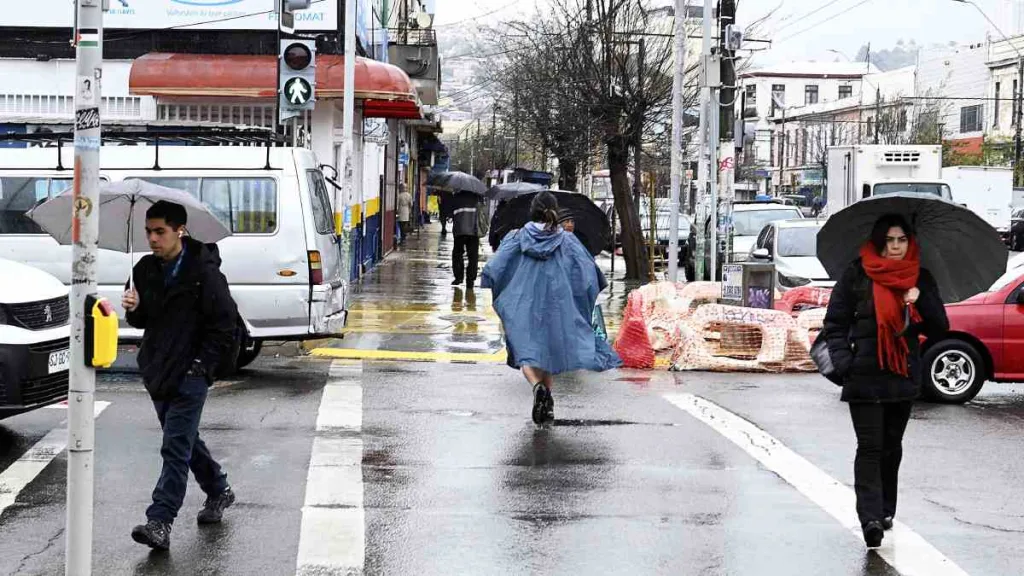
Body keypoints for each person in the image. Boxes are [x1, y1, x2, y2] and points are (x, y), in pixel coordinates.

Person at [822, 214, 948, 549]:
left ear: (910, 242)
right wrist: (845, 362)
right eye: (889, 240)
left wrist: (920, 300)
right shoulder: (857, 274)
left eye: (901, 240)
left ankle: (886, 509)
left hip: (900, 375)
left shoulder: (919, 278)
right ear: (879, 241)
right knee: (870, 447)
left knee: (891, 447)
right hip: (863, 376)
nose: (895, 247)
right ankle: (870, 519)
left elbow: (940, 328)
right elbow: (834, 324)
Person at [121, 200, 240, 551]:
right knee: (185, 441)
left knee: (174, 445)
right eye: (148, 232)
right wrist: (134, 308)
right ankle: (219, 490)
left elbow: (225, 323)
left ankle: (160, 520)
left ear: (179, 230)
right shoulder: (144, 269)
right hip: (158, 367)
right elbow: (144, 321)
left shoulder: (204, 272)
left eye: (160, 232)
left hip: (192, 371)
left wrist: (202, 365)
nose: (153, 239)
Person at [482, 191, 621, 425]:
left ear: (532, 211)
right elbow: (587, 273)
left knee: (526, 353)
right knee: (546, 355)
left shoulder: (516, 237)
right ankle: (547, 405)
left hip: (523, 305)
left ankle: (538, 389)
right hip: (558, 306)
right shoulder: (568, 240)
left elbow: (494, 268)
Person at [450, 193, 485, 286]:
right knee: (473, 256)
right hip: (473, 232)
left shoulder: (456, 197)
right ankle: (470, 279)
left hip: (459, 231)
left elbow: (451, 213)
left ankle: (458, 277)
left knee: (457, 254)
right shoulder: (477, 198)